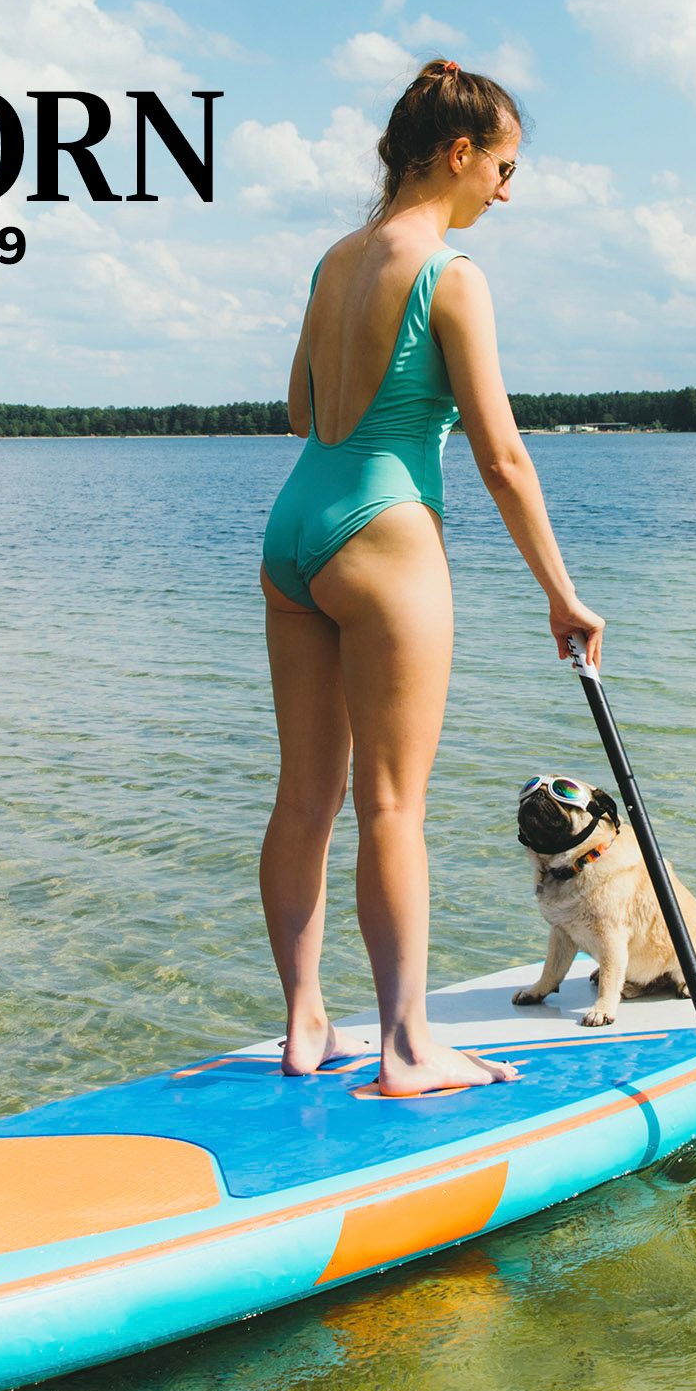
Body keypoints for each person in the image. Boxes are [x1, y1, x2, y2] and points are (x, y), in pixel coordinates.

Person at [259, 58, 605, 1096]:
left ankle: (305, 1020)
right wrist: (562, 591)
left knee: (304, 801)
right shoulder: (452, 277)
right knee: (393, 808)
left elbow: (298, 409)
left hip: (295, 525)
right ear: (459, 156)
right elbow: (503, 458)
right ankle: (408, 1046)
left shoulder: (333, 260)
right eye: (503, 166)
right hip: (386, 533)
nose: (507, 190)